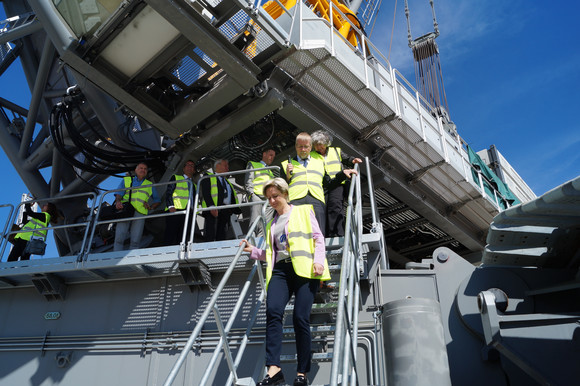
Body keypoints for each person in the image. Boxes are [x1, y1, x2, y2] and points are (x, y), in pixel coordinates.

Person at [240, 178, 330, 386]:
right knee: (273, 312)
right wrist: (252, 251)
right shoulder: (272, 224)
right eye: (268, 198)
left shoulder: (303, 211)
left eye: (275, 196)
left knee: (300, 318)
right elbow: (272, 253)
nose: (271, 201)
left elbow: (318, 238)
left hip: (305, 270)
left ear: (285, 194)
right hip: (280, 271)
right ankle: (274, 370)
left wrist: (318, 262)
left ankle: (302, 373)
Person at [281, 132, 357, 235]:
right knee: (294, 233)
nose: (303, 149)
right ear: (296, 147)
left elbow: (329, 183)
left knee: (319, 233)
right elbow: (281, 189)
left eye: (306, 147)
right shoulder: (286, 164)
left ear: (310, 147)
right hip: (295, 202)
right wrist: (287, 176)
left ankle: (332, 238)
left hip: (317, 201)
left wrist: (342, 174)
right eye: (300, 147)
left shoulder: (320, 162)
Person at [311, 130, 362, 237]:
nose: (318, 148)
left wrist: (353, 160)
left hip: (337, 183)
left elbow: (346, 158)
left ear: (326, 143)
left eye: (320, 145)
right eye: (316, 145)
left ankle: (336, 233)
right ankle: (324, 233)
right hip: (321, 185)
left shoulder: (336, 151)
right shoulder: (311, 155)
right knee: (321, 209)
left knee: (335, 206)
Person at [113, 162, 161, 251]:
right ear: (136, 170)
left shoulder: (149, 184)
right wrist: (118, 202)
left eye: (145, 169)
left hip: (140, 213)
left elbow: (157, 200)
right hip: (125, 210)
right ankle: (115, 258)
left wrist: (150, 207)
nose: (143, 170)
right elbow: (119, 194)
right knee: (119, 238)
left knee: (135, 240)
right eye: (141, 168)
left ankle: (131, 261)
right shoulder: (127, 180)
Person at [199, 159, 242, 242]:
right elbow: (206, 192)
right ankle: (209, 250)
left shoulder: (227, 182)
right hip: (214, 209)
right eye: (225, 165)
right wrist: (211, 206)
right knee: (211, 233)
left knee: (222, 234)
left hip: (226, 211)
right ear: (217, 166)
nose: (228, 168)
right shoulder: (208, 176)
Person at [164, 160, 198, 246]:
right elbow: (169, 192)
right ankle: (167, 254)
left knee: (183, 236)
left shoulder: (194, 185)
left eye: (192, 166)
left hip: (189, 212)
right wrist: (171, 206)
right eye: (188, 165)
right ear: (183, 168)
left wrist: (195, 212)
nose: (190, 167)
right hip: (175, 210)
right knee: (171, 235)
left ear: (194, 170)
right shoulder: (176, 178)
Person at [245, 147, 276, 236]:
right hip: (257, 196)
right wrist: (251, 193)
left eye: (273, 156)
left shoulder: (270, 171)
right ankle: (252, 239)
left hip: (268, 198)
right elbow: (248, 180)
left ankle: (262, 240)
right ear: (264, 154)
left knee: (266, 222)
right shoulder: (253, 164)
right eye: (270, 155)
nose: (272, 158)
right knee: (255, 220)